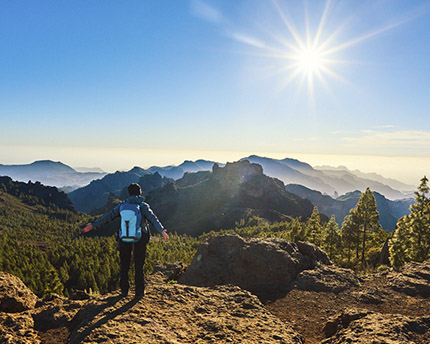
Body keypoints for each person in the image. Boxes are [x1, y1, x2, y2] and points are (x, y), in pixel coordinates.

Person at [82, 183, 169, 298]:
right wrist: (161, 230)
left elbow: (108, 217)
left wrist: (93, 225)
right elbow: (153, 218)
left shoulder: (123, 205)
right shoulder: (143, 205)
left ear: (129, 193)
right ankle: (139, 293)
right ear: (140, 193)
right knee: (139, 266)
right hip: (140, 237)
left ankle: (124, 291)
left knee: (124, 265)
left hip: (124, 238)